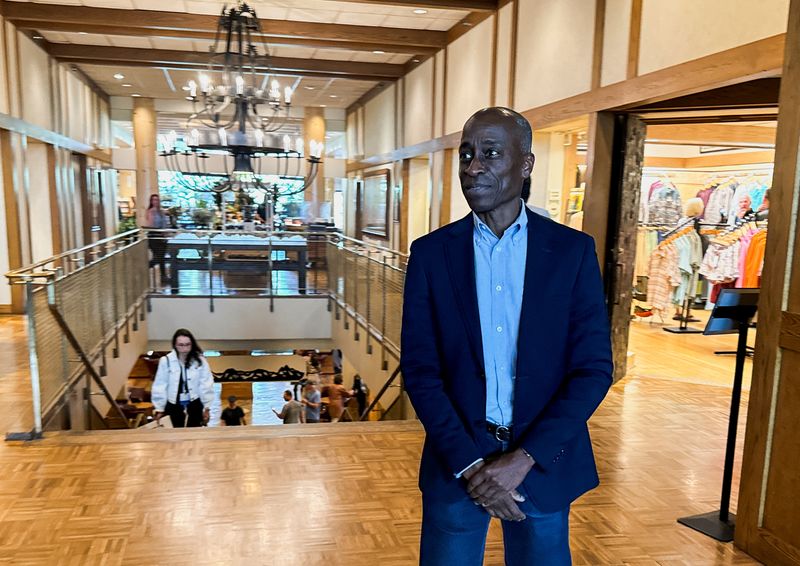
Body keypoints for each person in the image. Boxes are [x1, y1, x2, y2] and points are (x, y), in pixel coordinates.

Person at [400, 107, 613, 565]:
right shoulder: (431, 255)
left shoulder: (572, 252)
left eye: (490, 154)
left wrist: (523, 460)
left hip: (543, 463)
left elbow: (593, 369)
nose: (473, 167)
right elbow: (421, 371)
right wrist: (472, 466)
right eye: (466, 155)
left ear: (526, 163)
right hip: (457, 464)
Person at [152, 329, 215, 428]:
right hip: (173, 405)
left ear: (192, 344)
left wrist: (207, 407)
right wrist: (159, 408)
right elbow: (160, 385)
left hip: (195, 404)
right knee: (174, 435)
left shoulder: (200, 361)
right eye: (181, 345)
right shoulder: (166, 361)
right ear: (175, 345)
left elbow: (206, 383)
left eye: (187, 344)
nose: (184, 348)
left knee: (194, 435)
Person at [145, 193, 170, 281]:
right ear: (151, 201)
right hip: (154, 236)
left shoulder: (161, 211)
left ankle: (163, 276)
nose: (155, 201)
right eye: (153, 200)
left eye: (157, 200)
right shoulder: (150, 211)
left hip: (161, 236)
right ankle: (145, 267)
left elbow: (165, 224)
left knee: (161, 257)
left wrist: (165, 234)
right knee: (158, 257)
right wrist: (153, 212)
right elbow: (151, 224)